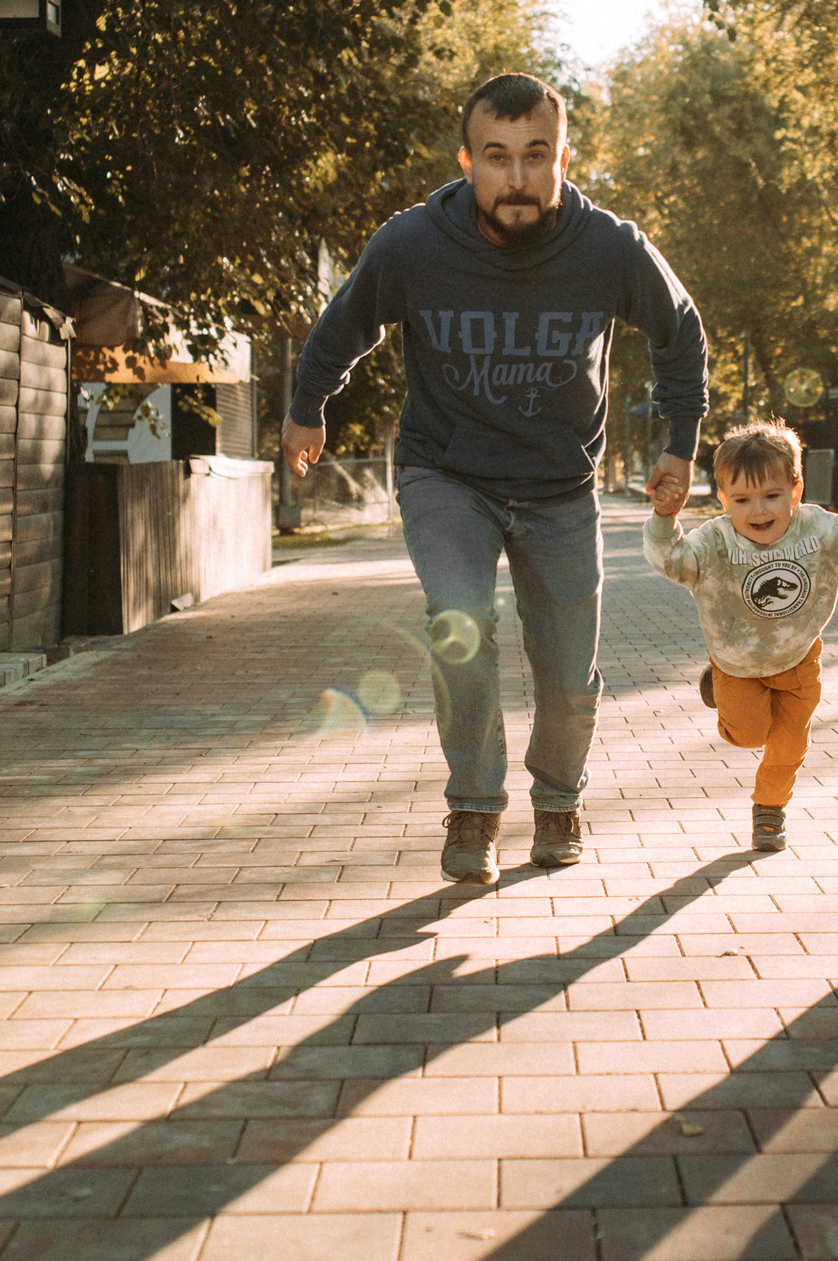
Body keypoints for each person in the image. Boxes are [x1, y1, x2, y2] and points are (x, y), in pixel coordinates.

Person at [282, 73, 708, 884]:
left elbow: (680, 334)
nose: (517, 178)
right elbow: (346, 324)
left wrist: (680, 443)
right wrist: (309, 406)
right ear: (468, 159)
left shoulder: (610, 246)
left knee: (568, 675)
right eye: (497, 156)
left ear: (562, 157)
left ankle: (557, 802)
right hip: (448, 473)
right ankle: (474, 807)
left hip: (560, 485)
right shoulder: (412, 243)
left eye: (535, 156)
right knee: (460, 618)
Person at [645, 422, 838, 851]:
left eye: (772, 496)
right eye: (741, 500)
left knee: (789, 743)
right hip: (736, 663)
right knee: (747, 734)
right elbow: (671, 561)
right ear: (723, 501)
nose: (757, 511)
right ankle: (720, 691)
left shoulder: (820, 530)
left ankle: (770, 810)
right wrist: (664, 519)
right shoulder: (714, 542)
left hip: (798, 658)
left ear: (795, 491)